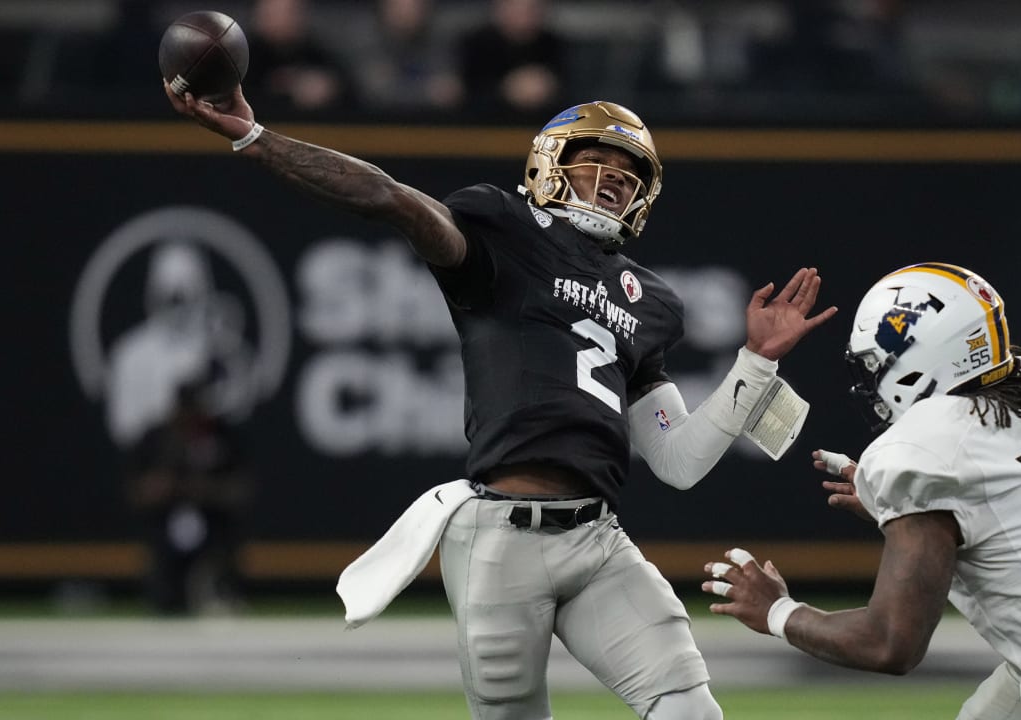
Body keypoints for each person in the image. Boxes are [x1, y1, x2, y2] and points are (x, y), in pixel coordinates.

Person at [164, 77, 837, 716]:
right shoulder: (504, 229)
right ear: (550, 164)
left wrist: (756, 362)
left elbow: (678, 462)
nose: (612, 182)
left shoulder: (650, 301)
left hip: (599, 540)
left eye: (627, 175)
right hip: (501, 537)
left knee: (690, 707)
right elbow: (388, 197)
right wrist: (256, 136)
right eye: (594, 162)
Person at [703, 262, 1021, 719]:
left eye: (876, 366)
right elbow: (1012, 498)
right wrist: (912, 515)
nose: (869, 384)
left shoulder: (922, 451)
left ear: (920, 362)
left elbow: (891, 644)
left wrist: (778, 612)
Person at [128, 381, 254, 615]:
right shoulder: (157, 438)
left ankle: (220, 591)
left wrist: (205, 489)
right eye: (186, 409)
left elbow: (241, 488)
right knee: (166, 600)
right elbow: (136, 490)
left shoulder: (222, 435)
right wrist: (157, 488)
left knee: (221, 557)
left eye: (195, 409)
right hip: (167, 522)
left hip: (212, 522)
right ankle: (167, 595)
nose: (191, 417)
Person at [457, 0, 566, 117]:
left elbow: (573, 93)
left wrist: (548, 87)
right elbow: (466, 95)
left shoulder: (555, 44)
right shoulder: (475, 44)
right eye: (516, 7)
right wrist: (506, 90)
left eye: (532, 8)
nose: (524, 15)